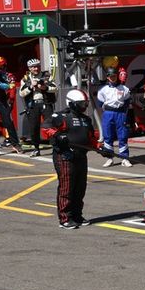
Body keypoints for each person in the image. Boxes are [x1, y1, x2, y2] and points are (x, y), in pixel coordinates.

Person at [42, 89, 98, 229]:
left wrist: (102, 149)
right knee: (67, 187)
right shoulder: (61, 116)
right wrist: (57, 135)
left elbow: (91, 138)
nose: (84, 106)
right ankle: (65, 218)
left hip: (81, 156)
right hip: (65, 156)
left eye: (85, 103)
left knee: (80, 187)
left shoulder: (86, 119)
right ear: (72, 104)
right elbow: (45, 128)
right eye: (81, 104)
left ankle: (77, 215)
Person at [18, 58, 56, 157]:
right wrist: (31, 87)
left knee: (50, 125)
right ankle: (36, 148)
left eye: (38, 66)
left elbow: (55, 88)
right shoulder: (25, 79)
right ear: (29, 68)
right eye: (34, 67)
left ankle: (55, 147)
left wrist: (45, 88)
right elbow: (21, 93)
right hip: (33, 105)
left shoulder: (47, 76)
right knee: (34, 127)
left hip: (46, 103)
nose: (36, 68)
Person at [96, 67, 132, 167]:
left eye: (114, 76)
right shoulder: (103, 90)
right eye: (111, 76)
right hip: (108, 114)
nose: (113, 78)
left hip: (120, 114)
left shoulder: (124, 89)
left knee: (123, 135)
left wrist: (123, 112)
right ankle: (109, 158)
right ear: (107, 77)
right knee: (108, 135)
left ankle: (125, 158)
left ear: (117, 76)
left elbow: (127, 101)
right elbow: (100, 103)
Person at [0, 56, 23, 154]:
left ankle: (15, 144)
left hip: (2, 101)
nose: (1, 69)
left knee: (8, 123)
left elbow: (11, 83)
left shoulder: (6, 74)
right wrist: (8, 85)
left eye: (2, 67)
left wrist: (11, 100)